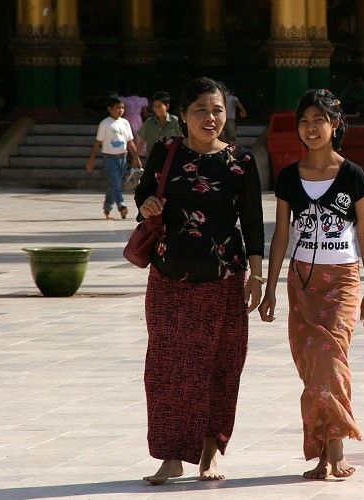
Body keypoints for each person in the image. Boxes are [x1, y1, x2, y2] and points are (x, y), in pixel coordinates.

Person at [134, 77, 265, 484]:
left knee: (220, 365)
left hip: (223, 277)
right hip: (169, 275)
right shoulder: (165, 151)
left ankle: (209, 453)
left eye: (217, 110)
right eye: (201, 110)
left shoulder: (240, 162)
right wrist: (148, 204)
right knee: (166, 367)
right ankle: (171, 457)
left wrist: (257, 276)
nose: (210, 118)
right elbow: (142, 195)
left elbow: (254, 224)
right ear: (184, 115)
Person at [258, 89, 364, 480]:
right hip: (302, 283)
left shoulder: (352, 175)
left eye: (319, 120)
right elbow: (280, 235)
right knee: (312, 366)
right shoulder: (289, 177)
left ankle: (337, 448)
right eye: (305, 121)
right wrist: (271, 286)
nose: (311, 128)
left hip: (343, 280)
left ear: (335, 125)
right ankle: (324, 450)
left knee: (330, 360)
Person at [85, 94, 142, 219]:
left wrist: (136, 157)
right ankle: (121, 205)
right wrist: (91, 159)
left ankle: (107, 207)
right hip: (109, 158)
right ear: (109, 109)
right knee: (115, 182)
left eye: (122, 107)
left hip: (123, 157)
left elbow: (130, 142)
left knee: (114, 184)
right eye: (117, 108)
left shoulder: (125, 123)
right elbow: (97, 143)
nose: (120, 110)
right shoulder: (105, 124)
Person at [136, 91, 183, 159]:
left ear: (167, 106)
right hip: (152, 159)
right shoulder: (149, 122)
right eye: (155, 106)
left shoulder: (175, 120)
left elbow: (181, 139)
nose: (157, 108)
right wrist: (136, 158)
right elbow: (141, 142)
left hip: (170, 159)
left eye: (159, 106)